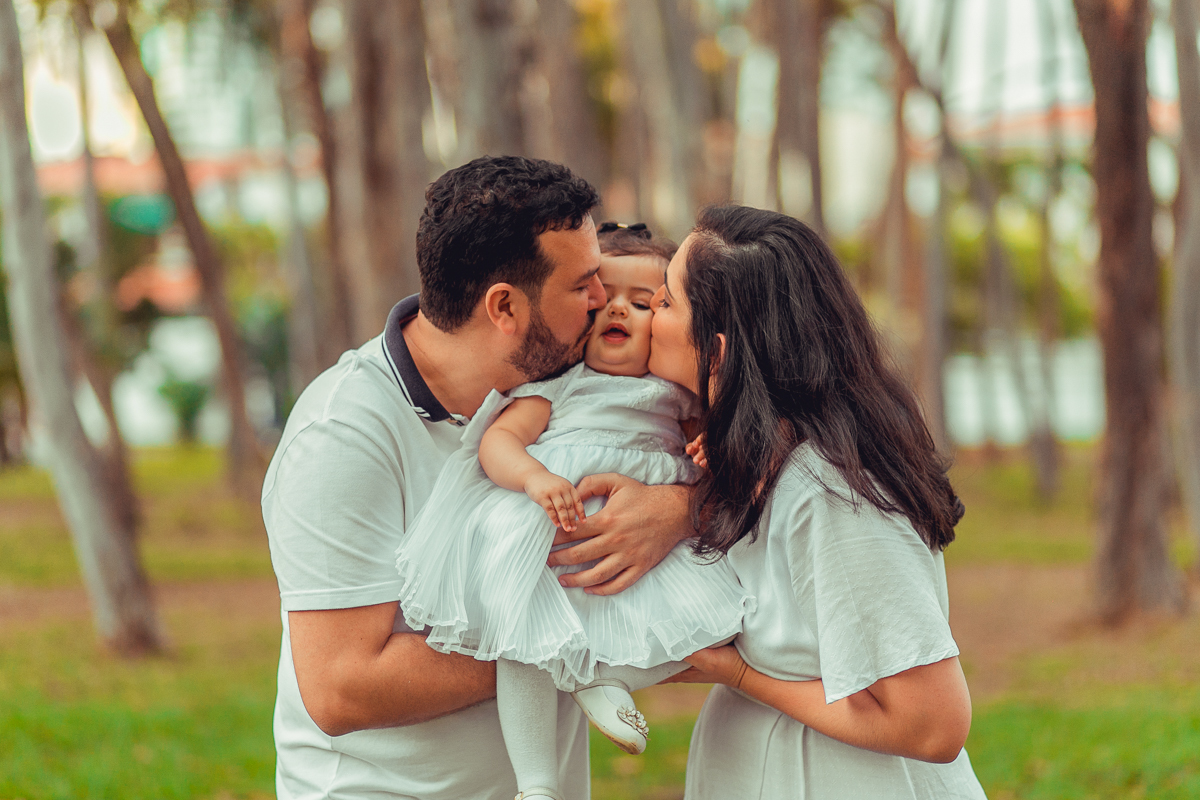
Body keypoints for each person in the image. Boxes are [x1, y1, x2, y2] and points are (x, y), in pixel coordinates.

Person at [261, 157, 697, 800]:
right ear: (505, 308)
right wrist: (572, 646)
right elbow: (342, 687)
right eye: (583, 286)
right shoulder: (343, 436)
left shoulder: (563, 390)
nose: (604, 300)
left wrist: (678, 508)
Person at [394, 222, 751, 800]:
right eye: (604, 299)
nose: (618, 311)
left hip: (642, 552)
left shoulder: (676, 394)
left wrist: (716, 446)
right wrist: (536, 478)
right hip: (545, 535)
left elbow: (723, 459)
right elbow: (497, 443)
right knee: (519, 643)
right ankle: (536, 785)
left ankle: (599, 677)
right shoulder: (561, 384)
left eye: (644, 303)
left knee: (720, 622)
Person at [650, 206, 988, 799]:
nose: (646, 310)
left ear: (719, 352)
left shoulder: (833, 493)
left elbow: (934, 724)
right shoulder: (749, 463)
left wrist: (740, 674)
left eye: (666, 301)